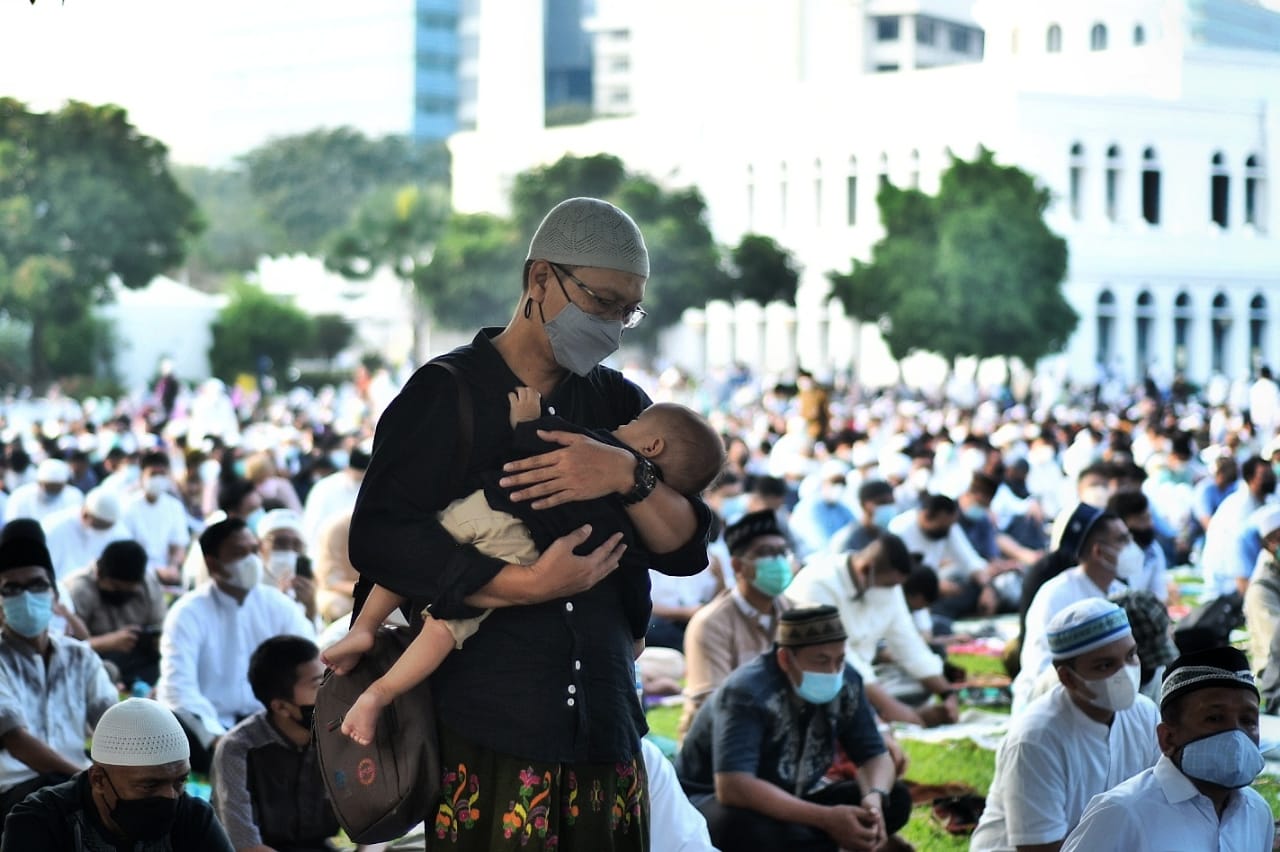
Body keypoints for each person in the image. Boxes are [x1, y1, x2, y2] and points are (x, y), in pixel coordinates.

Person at [347, 197, 713, 851]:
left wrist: (626, 476)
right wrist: (525, 585)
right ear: (539, 280)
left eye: (627, 312)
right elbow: (381, 538)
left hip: (604, 717)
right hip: (487, 718)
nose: (613, 327)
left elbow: (685, 548)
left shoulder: (616, 401)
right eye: (601, 303)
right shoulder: (446, 394)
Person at [327, 384, 723, 745]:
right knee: (446, 625)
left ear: (652, 446)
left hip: (489, 507)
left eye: (635, 422)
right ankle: (380, 693)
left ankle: (364, 627)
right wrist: (637, 631)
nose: (625, 421)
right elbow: (637, 583)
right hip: (520, 547)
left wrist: (527, 421)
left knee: (423, 555)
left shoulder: (606, 445)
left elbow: (545, 439)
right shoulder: (633, 517)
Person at [675, 606, 910, 852]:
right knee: (745, 828)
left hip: (793, 797)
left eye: (839, 660)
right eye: (821, 660)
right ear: (785, 659)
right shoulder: (747, 693)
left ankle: (820, 839)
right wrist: (827, 819)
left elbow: (875, 755)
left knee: (895, 798)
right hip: (717, 803)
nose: (832, 671)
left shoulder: (847, 680)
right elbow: (734, 786)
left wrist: (874, 798)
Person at [970, 599, 1161, 851]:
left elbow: (1160, 803)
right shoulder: (1036, 739)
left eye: (1130, 656)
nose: (1123, 673)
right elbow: (1039, 848)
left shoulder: (1145, 713)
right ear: (1067, 677)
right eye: (1105, 665)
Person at [1062, 646, 1274, 851]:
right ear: (1168, 738)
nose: (1236, 735)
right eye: (1215, 718)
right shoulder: (1122, 813)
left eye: (1247, 720)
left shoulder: (1257, 812)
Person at [156, 518, 316, 773]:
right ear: (212, 563)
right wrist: (218, 738)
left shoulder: (278, 605)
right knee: (175, 726)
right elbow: (179, 689)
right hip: (211, 728)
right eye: (239, 553)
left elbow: (312, 662)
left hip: (276, 720)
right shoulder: (187, 613)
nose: (251, 560)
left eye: (254, 550)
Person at [0, 697, 234, 851]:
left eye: (180, 781)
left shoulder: (192, 818)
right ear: (98, 779)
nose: (171, 796)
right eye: (149, 785)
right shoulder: (41, 822)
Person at [0, 529, 118, 824]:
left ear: (54, 596)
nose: (26, 596)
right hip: (12, 790)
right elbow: (16, 741)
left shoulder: (80, 656)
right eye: (12, 588)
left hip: (79, 782)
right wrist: (88, 777)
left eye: (37, 585)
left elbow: (112, 724)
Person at [787, 531, 959, 728]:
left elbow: (908, 644)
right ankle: (880, 714)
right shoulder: (817, 583)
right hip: (822, 680)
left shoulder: (888, 587)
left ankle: (883, 712)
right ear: (865, 570)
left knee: (922, 681)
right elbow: (843, 661)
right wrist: (897, 711)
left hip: (869, 679)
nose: (893, 591)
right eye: (889, 585)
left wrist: (947, 694)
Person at [211, 636, 341, 852]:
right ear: (281, 707)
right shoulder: (238, 749)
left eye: (330, 678)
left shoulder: (339, 732)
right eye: (318, 684)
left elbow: (378, 812)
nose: (331, 691)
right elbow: (245, 844)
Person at [678, 509, 796, 740]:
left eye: (783, 552)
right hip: (722, 746)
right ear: (737, 566)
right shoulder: (710, 624)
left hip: (783, 738)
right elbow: (715, 708)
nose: (779, 561)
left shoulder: (796, 614)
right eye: (766, 553)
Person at [1012, 504, 1141, 712]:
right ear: (1098, 551)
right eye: (1122, 540)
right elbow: (1041, 668)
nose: (1132, 546)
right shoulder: (1056, 594)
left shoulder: (1121, 590)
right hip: (1052, 698)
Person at [64, 539, 168, 687]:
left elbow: (160, 626)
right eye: (116, 587)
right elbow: (65, 647)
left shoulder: (147, 586)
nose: (122, 594)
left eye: (128, 590)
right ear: (100, 574)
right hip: (93, 658)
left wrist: (156, 640)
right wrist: (108, 642)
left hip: (136, 658)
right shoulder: (79, 589)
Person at [888, 493, 995, 618]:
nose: (948, 531)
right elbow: (901, 576)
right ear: (927, 516)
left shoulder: (947, 527)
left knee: (971, 588)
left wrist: (987, 589)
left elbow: (969, 561)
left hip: (934, 589)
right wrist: (936, 585)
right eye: (943, 526)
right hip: (909, 594)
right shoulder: (900, 529)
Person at [1200, 455, 1275, 597]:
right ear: (1250, 478)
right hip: (1227, 578)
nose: (1270, 478)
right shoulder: (1239, 507)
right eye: (1264, 475)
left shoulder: (1265, 501)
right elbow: (1236, 549)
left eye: (1270, 474)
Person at [121, 451, 192, 585]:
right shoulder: (128, 507)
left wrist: (173, 567)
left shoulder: (174, 506)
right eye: (153, 474)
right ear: (142, 476)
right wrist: (155, 571)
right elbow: (124, 549)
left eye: (162, 474)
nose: (158, 479)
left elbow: (179, 544)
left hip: (167, 576)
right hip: (135, 574)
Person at [39, 487, 129, 581]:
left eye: (106, 526)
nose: (102, 530)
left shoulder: (120, 533)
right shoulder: (54, 525)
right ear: (85, 514)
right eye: (99, 524)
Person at [256, 509, 319, 624]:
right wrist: (281, 602)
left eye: (296, 544)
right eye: (280, 542)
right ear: (260, 546)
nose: (289, 550)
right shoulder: (250, 584)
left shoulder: (304, 585)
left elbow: (312, 635)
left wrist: (310, 607)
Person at [1105, 490, 1169, 603]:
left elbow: (1159, 594)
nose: (1149, 524)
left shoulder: (1153, 550)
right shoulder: (1109, 555)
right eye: (1142, 520)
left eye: (1149, 518)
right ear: (1121, 525)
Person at [4, 459, 83, 526]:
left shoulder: (75, 496)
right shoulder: (20, 497)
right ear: (39, 482)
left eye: (57, 487)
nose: (53, 491)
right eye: (50, 487)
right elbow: (13, 527)